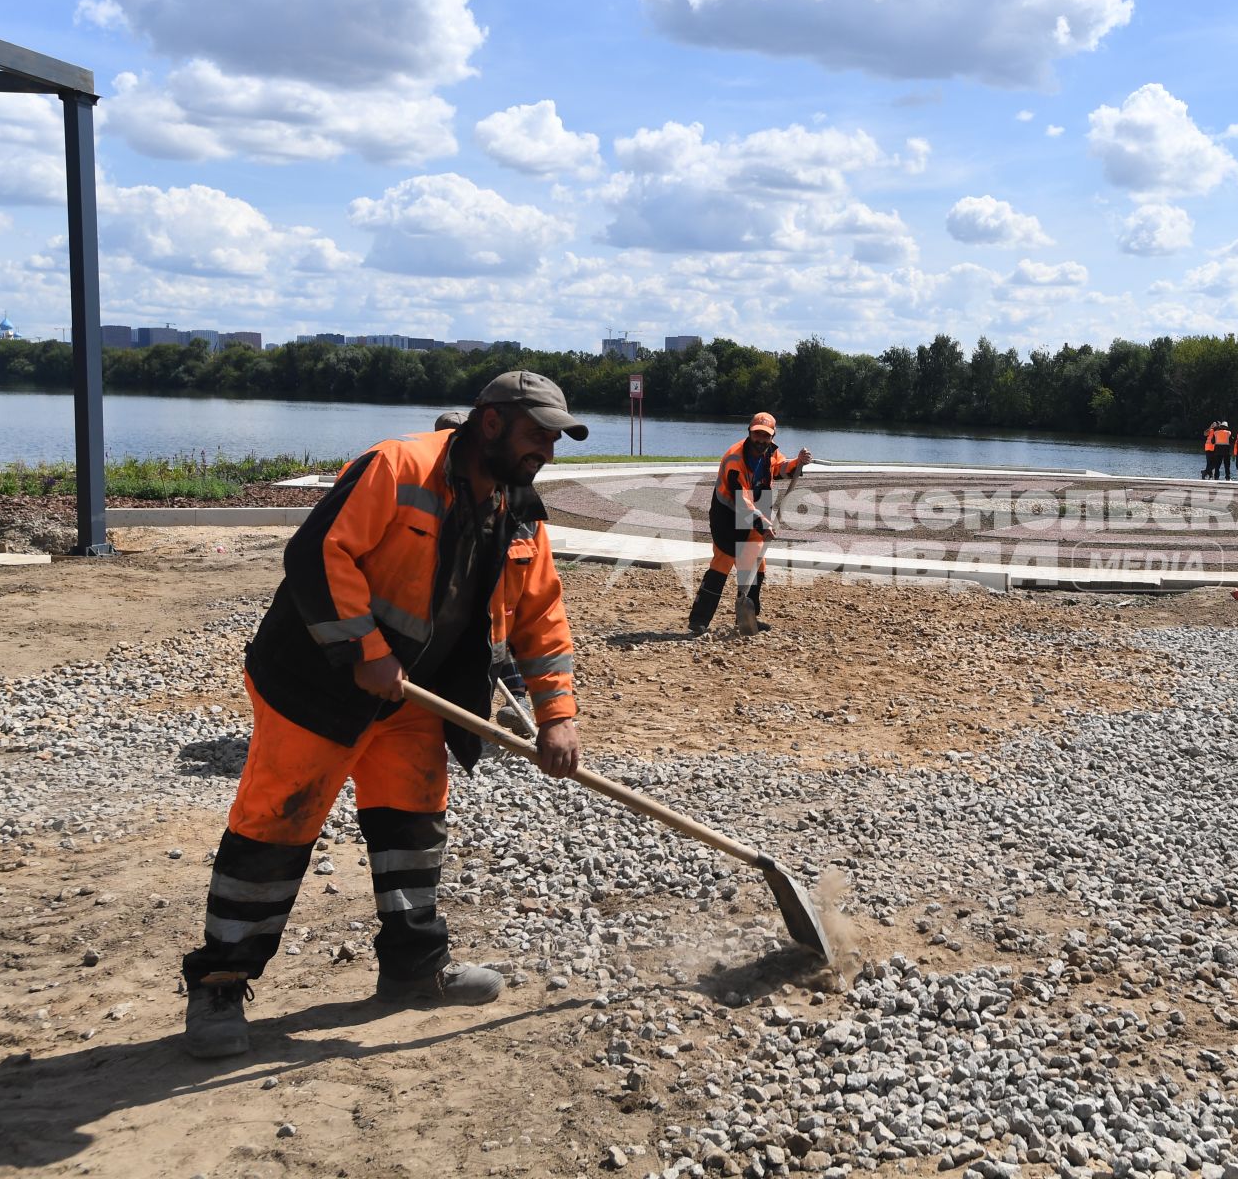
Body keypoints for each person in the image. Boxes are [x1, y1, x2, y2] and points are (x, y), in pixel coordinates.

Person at [181, 371, 588, 1059]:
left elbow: (542, 618)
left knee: (412, 825)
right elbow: (318, 552)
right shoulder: (397, 467)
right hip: (317, 683)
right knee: (277, 825)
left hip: (411, 699)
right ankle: (221, 980)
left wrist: (557, 716)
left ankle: (413, 967)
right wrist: (363, 648)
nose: (546, 448)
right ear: (490, 423)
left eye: (555, 437)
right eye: (536, 433)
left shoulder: (520, 509)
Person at [688, 412, 812, 635]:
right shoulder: (735, 459)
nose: (761, 440)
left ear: (772, 437)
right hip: (728, 514)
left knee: (755, 564)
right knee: (722, 564)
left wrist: (797, 463)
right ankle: (698, 621)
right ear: (749, 432)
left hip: (757, 510)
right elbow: (742, 502)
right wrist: (763, 523)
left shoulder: (770, 452)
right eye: (757, 434)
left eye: (765, 436)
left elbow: (780, 468)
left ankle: (747, 618)